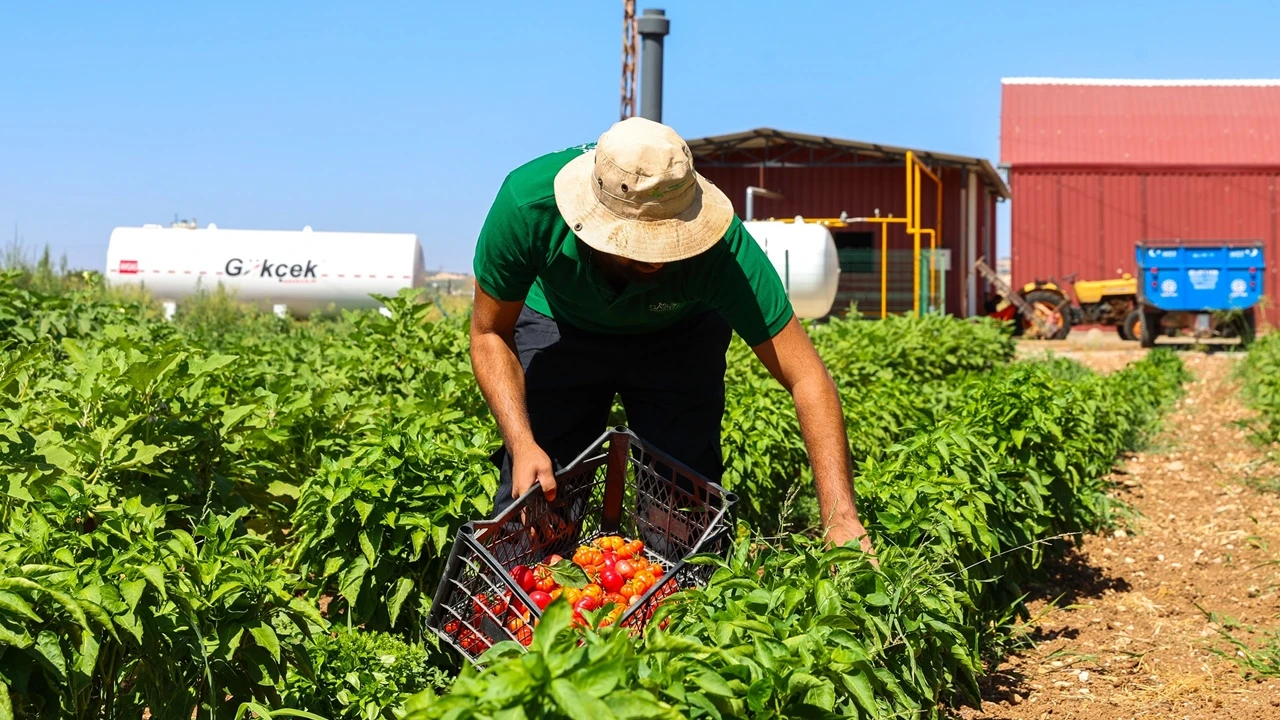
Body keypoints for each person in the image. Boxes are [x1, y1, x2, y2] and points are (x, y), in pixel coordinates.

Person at [469, 116, 873, 553]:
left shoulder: (724, 251)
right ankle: (524, 591)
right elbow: (489, 332)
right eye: (639, 245)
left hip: (678, 337)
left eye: (671, 240)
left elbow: (807, 377)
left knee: (684, 511)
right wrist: (522, 443)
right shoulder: (528, 206)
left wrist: (841, 518)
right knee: (536, 503)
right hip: (559, 324)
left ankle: (678, 588)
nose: (656, 260)